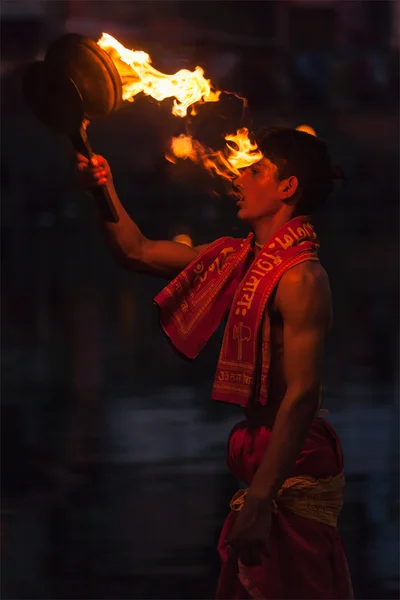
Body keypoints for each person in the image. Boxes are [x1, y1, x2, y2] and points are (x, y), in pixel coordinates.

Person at [75, 128, 353, 600]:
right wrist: (102, 187)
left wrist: (262, 498)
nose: (239, 178)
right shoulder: (236, 258)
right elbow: (136, 252)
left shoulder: (303, 277)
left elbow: (303, 395)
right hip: (260, 455)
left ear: (287, 188)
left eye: (254, 170)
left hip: (294, 457)